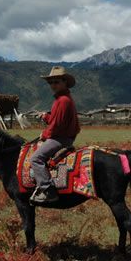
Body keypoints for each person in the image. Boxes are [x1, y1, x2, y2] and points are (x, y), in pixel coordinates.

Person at [29, 66, 81, 205]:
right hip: (63, 136)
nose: (53, 85)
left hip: (60, 138)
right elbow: (57, 119)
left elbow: (56, 127)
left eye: (56, 82)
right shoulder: (62, 99)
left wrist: (44, 134)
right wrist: (46, 116)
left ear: (64, 82)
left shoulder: (63, 101)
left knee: (35, 158)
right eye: (50, 82)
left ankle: (48, 190)